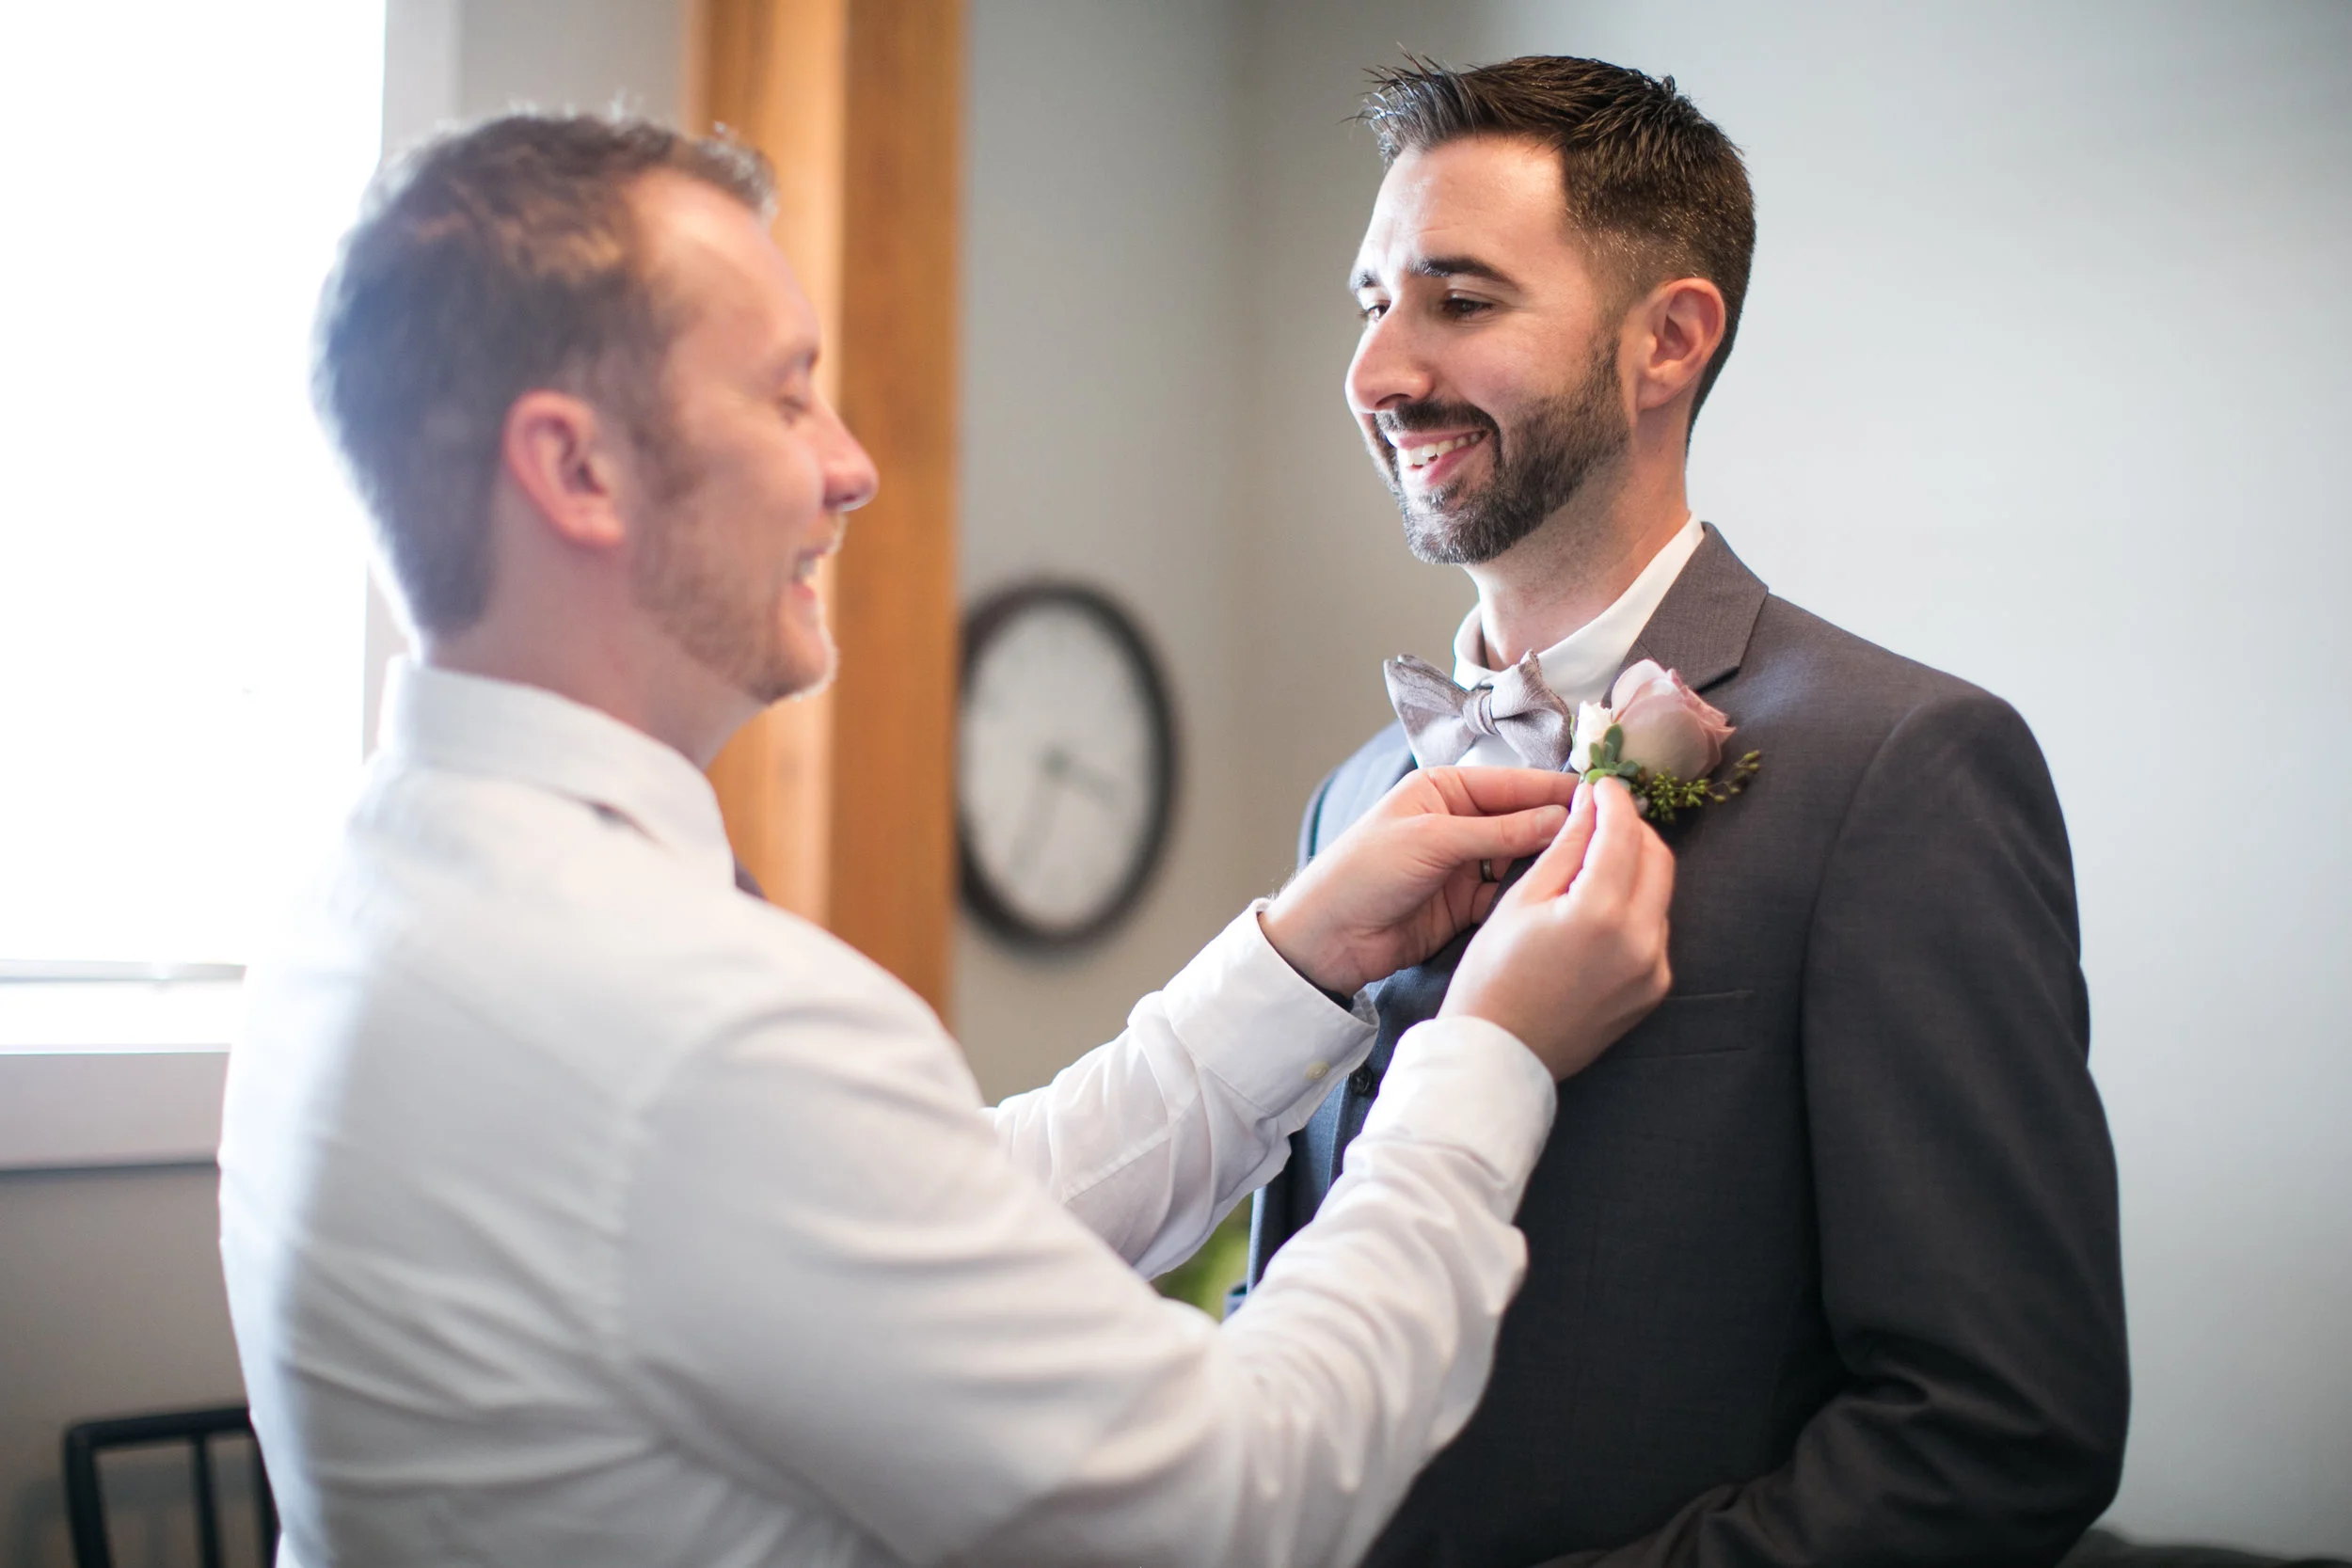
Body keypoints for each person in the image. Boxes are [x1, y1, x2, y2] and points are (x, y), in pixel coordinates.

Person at [216, 113, 1680, 1568]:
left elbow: (905, 1229)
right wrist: (1484, 1058)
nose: (850, 467)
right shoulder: (689, 1022)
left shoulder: (363, 900)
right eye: (787, 398)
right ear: (578, 471)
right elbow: (1232, 1496)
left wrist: (1290, 968)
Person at [1244, 55, 2131, 1568]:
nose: (1379, 371)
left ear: (1669, 340)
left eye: (1457, 301)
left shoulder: (1903, 767)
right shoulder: (1354, 800)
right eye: (1370, 302)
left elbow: (1998, 1423)